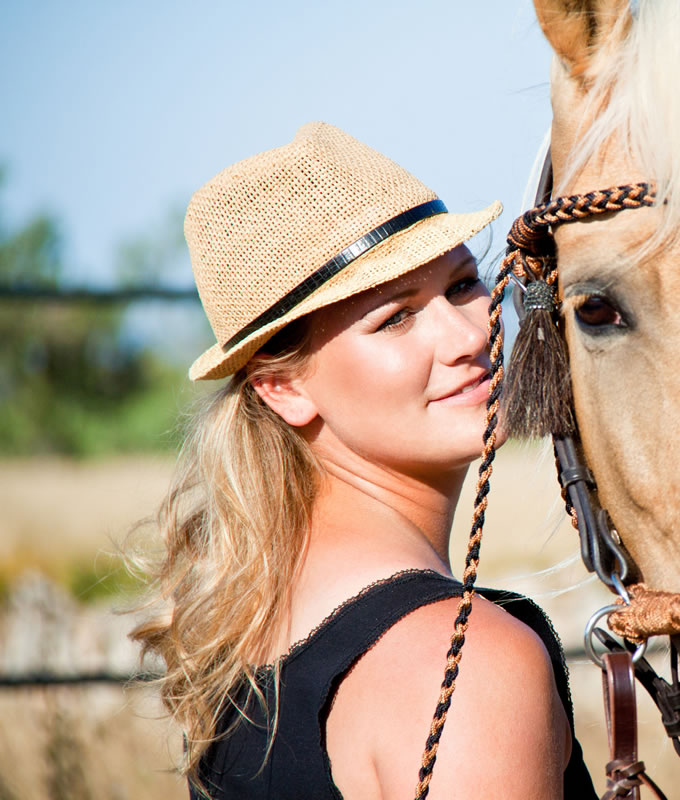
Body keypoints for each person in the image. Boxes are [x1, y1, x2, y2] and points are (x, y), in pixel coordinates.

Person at [130, 122, 596, 799]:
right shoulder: (466, 664)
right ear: (282, 387)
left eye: (465, 284)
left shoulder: (254, 630)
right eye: (395, 318)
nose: (471, 334)